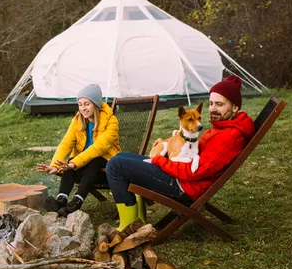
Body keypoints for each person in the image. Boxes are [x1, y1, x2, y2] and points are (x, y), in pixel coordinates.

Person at [106, 75, 255, 230]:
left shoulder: (229, 136)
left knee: (116, 165)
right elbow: (201, 154)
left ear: (235, 107)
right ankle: (139, 220)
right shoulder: (225, 127)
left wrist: (160, 161)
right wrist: (181, 140)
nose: (212, 108)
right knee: (121, 156)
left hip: (183, 186)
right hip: (181, 176)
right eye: (211, 103)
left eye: (219, 104)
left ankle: (128, 227)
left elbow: (194, 173)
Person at [37, 84, 120, 217]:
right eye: (80, 104)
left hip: (107, 169)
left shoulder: (112, 121)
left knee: (93, 160)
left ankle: (77, 201)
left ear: (96, 104)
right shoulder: (77, 121)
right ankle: (61, 200)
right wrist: (55, 165)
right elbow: (65, 144)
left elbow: (98, 148)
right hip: (84, 169)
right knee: (69, 163)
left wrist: (74, 164)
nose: (83, 108)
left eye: (86, 104)